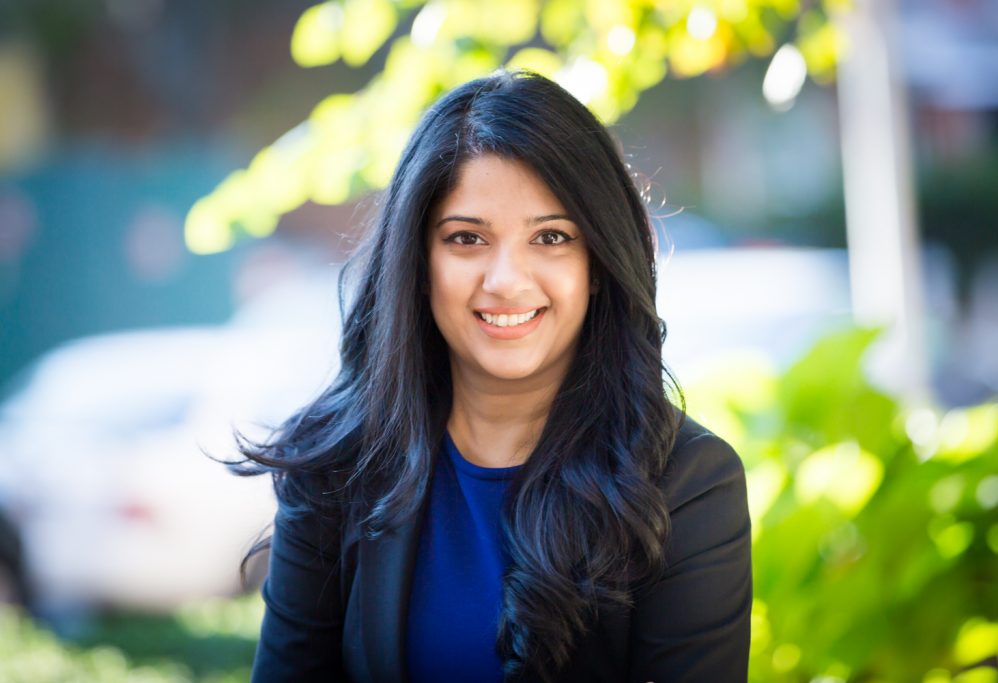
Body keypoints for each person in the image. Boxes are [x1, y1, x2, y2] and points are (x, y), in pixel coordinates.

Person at [238, 69, 751, 683]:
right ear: (418, 261)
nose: (506, 279)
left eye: (551, 237)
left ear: (597, 262)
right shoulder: (334, 465)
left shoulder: (689, 483)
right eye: (467, 238)